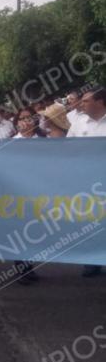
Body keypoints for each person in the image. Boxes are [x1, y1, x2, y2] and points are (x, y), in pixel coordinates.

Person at [68, 87, 106, 278]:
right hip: (86, 182)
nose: (81, 104)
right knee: (90, 221)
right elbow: (67, 148)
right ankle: (92, 261)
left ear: (100, 102)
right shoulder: (78, 123)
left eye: (85, 101)